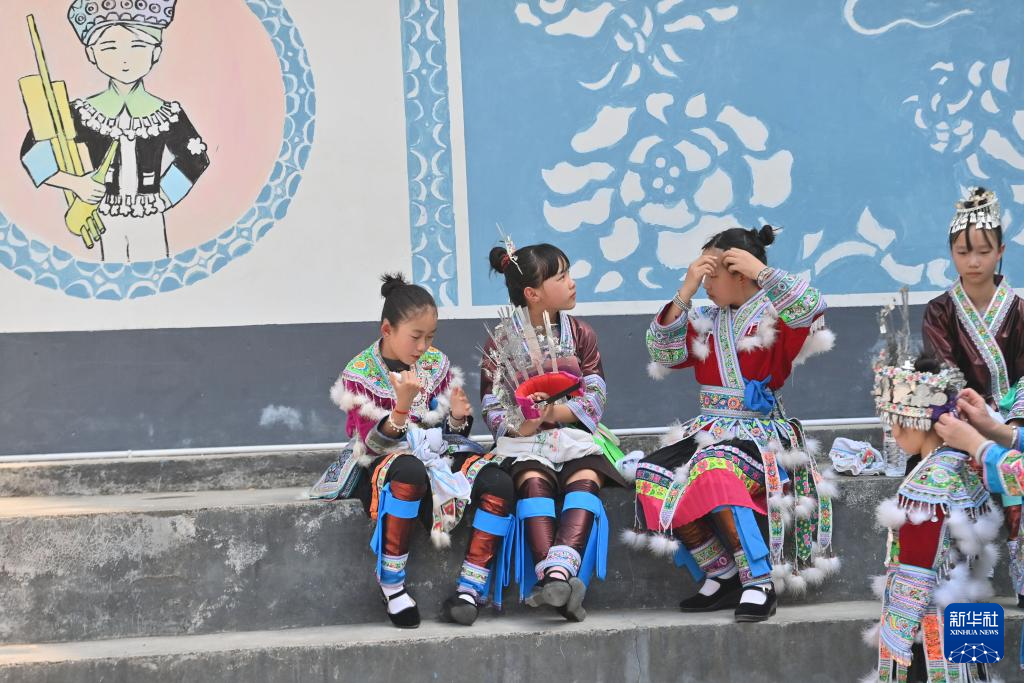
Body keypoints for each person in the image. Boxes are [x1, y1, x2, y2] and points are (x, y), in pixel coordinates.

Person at [629, 225, 838, 623]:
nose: (706, 283)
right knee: (652, 473)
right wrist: (685, 291)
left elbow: (812, 308)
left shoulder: (775, 315)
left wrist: (762, 272)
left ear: (739, 273)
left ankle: (759, 579)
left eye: (712, 274)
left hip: (760, 436)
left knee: (717, 468)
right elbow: (664, 352)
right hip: (709, 431)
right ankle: (721, 572)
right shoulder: (707, 319)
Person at [316, 273, 514, 628]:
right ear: (387, 329)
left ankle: (470, 589)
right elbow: (371, 445)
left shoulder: (436, 364)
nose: (423, 346)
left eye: (431, 336)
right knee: (408, 470)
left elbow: (449, 435)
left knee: (498, 481)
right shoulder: (359, 374)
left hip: (435, 455)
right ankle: (392, 585)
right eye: (416, 336)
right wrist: (402, 408)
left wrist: (458, 418)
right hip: (386, 461)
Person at [480, 239, 625, 622]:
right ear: (532, 293)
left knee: (586, 478)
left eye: (568, 273)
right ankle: (559, 580)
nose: (572, 282)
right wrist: (523, 422)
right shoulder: (501, 342)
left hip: (575, 436)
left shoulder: (581, 334)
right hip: (526, 442)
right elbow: (491, 402)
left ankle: (556, 576)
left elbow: (596, 392)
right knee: (532, 480)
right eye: (561, 277)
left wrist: (557, 411)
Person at [20, 0, 210, 261]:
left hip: (150, 217)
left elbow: (196, 159)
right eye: (109, 47)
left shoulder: (167, 114)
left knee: (152, 262)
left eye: (138, 46)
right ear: (91, 54)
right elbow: (32, 152)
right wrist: (76, 184)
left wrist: (163, 198)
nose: (124, 59)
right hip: (99, 214)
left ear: (156, 52)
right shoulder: (80, 113)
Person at [862, 354, 1001, 682]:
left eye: (894, 424)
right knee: (973, 674)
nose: (893, 434)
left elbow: (918, 566)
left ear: (912, 423)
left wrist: (897, 630)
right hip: (966, 603)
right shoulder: (961, 466)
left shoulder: (927, 483)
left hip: (932, 617)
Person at [922, 186, 1024, 604]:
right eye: (963, 252)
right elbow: (943, 376)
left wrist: (1009, 423)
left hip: (1012, 421)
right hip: (960, 419)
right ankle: (956, 579)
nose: (974, 261)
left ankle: (1019, 574)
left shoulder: (1019, 309)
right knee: (947, 475)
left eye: (983, 251)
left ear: (1001, 252)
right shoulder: (940, 310)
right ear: (952, 254)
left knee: (1017, 472)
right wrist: (965, 418)